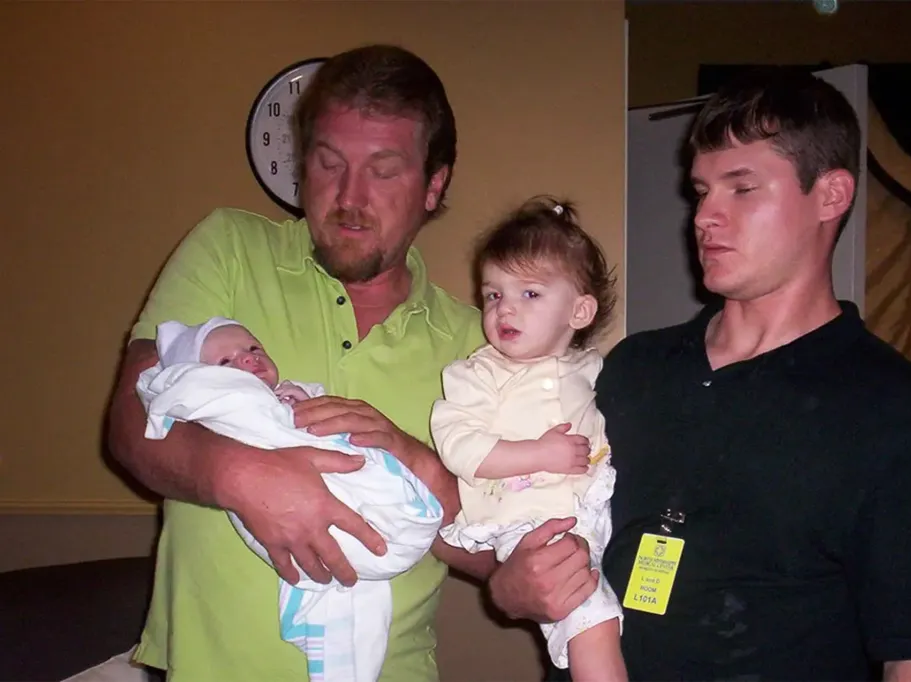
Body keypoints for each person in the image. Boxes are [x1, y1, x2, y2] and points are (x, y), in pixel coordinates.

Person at [488, 67, 911, 681]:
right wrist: (511, 588)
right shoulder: (626, 368)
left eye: (741, 188)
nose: (705, 216)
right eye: (701, 190)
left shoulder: (902, 415)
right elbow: (525, 519)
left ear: (832, 195)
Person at [106, 44, 493, 682]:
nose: (349, 197)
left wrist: (420, 463)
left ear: (434, 184)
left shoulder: (478, 345)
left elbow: (492, 560)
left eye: (384, 170)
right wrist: (241, 474)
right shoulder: (229, 248)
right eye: (329, 162)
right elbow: (130, 421)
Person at [136, 315, 443, 682]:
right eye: (225, 362)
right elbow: (204, 411)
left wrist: (298, 402)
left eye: (252, 348)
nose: (247, 359)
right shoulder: (220, 403)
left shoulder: (283, 393)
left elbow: (310, 419)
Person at [430, 197, 626, 682]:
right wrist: (537, 453)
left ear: (579, 311)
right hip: (530, 519)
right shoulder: (477, 375)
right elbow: (459, 446)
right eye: (493, 294)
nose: (505, 308)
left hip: (597, 506)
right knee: (590, 615)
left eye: (530, 294)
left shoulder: (594, 368)